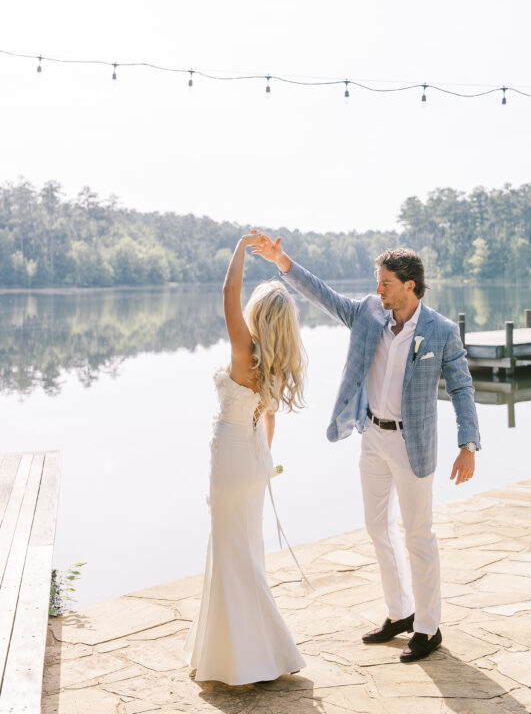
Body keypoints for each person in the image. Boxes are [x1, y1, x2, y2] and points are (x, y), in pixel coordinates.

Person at [252, 234, 480, 664]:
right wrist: (284, 261)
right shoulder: (369, 315)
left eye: (386, 283)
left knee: (418, 534)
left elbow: (463, 387)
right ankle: (400, 613)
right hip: (372, 436)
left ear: (410, 286)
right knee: (377, 528)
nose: (378, 289)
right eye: (378, 282)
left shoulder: (441, 331)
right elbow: (323, 296)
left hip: (415, 446)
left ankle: (429, 628)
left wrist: (467, 444)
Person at [184, 233, 307, 685]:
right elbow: (268, 420)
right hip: (254, 463)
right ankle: (248, 653)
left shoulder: (243, 352)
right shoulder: (273, 362)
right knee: (243, 554)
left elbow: (226, 293)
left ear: (258, 316)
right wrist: (267, 464)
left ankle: (264, 654)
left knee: (232, 556)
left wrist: (239, 246)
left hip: (234, 463)